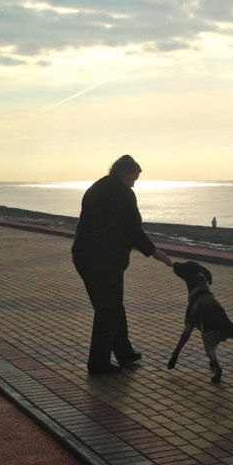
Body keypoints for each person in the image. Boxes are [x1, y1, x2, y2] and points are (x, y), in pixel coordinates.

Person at [72, 155, 173, 375]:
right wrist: (154, 251)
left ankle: (124, 353)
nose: (134, 183)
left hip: (83, 256)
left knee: (111, 306)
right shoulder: (122, 193)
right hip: (103, 260)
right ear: (125, 172)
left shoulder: (98, 187)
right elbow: (133, 229)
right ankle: (98, 363)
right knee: (108, 309)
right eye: (134, 178)